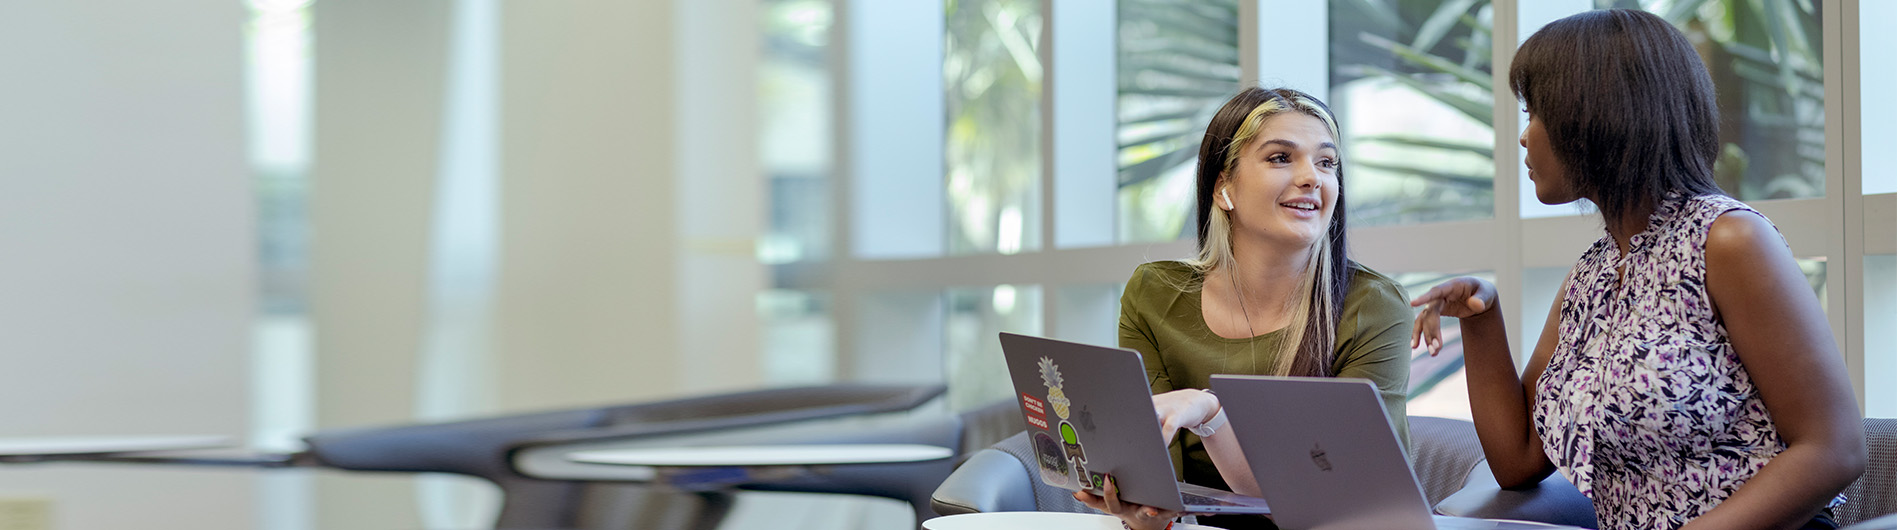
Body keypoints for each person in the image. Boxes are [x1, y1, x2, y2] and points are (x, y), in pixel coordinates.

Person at [1409, 9, 1865, 530]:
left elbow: (1834, 449)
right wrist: (1481, 316)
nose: (1523, 137)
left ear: (1595, 115)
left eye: (1534, 112)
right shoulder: (1593, 274)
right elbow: (1517, 462)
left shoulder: (1730, 240)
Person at [1076, 86, 1415, 530]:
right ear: (1223, 187)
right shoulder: (1155, 293)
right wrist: (1142, 515)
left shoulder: (1373, 305)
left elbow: (1340, 504)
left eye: (1327, 162)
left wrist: (1210, 414)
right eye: (1281, 158)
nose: (1313, 177)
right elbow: (1159, 489)